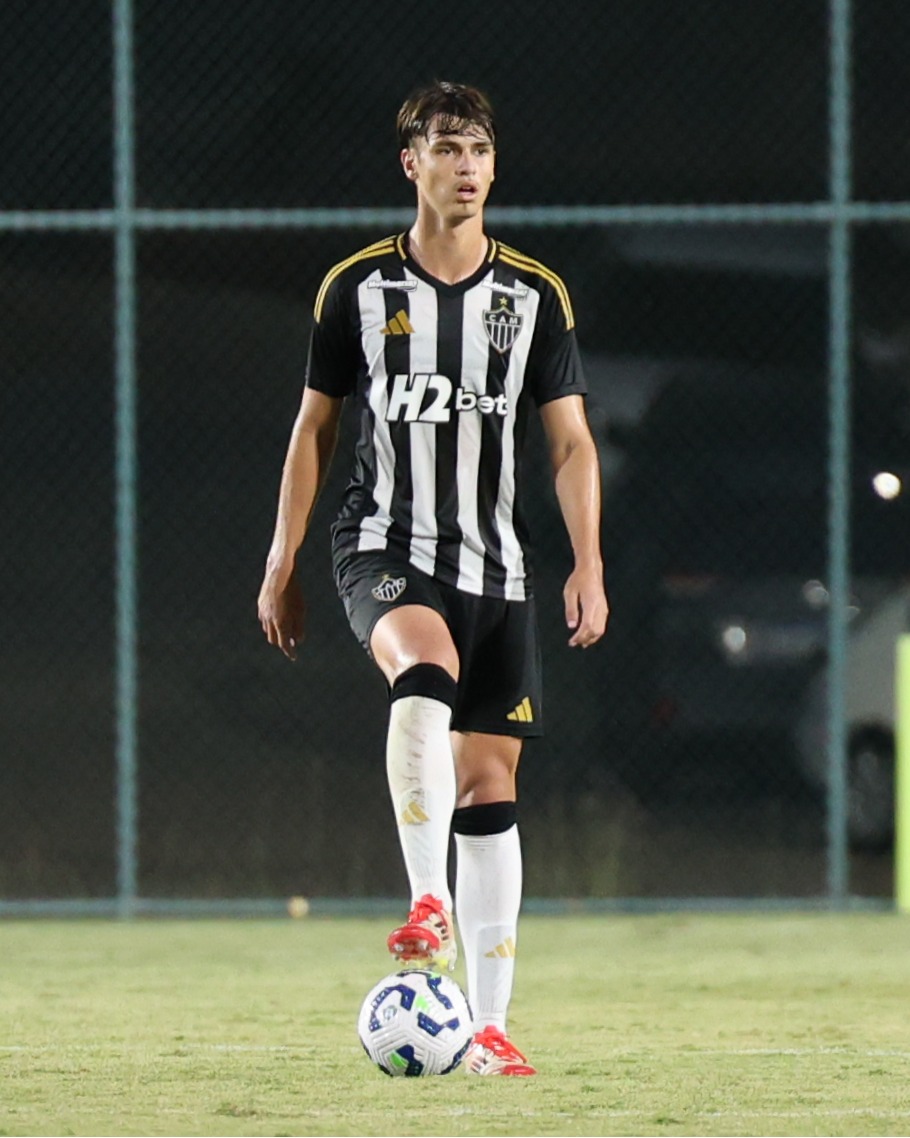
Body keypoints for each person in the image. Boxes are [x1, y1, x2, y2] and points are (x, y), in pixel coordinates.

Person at [257, 80, 608, 1076]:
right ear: (409, 163)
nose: (465, 165)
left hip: (495, 564)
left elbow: (572, 443)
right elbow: (315, 427)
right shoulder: (357, 289)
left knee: (490, 784)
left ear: (494, 167)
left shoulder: (532, 295)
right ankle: (426, 900)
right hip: (382, 542)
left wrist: (586, 561)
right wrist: (282, 558)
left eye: (478, 150)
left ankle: (490, 1028)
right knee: (425, 670)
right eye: (445, 148)